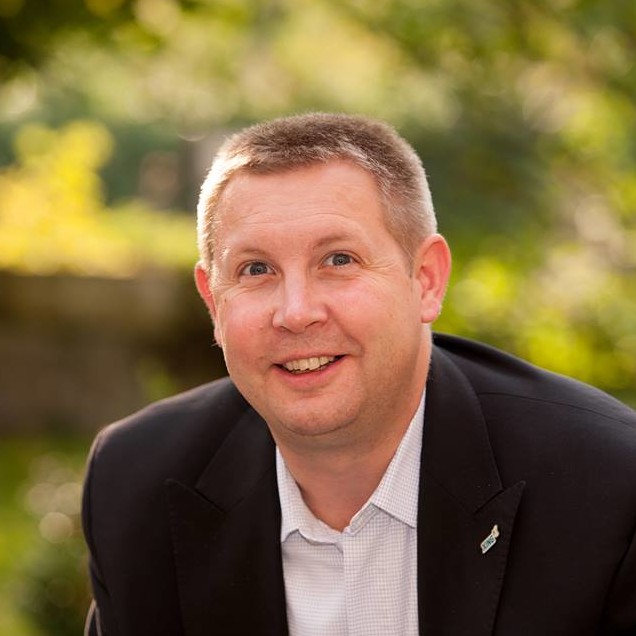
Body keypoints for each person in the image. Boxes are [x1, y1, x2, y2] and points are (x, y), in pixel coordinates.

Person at [82, 113, 636, 636]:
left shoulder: (609, 485)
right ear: (213, 301)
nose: (296, 312)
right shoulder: (136, 483)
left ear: (426, 279)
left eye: (338, 260)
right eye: (256, 269)